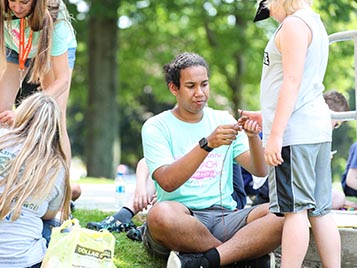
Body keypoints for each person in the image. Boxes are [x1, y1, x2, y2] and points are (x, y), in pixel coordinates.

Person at [140, 52, 283, 268]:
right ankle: (239, 257)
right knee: (160, 215)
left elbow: (260, 170)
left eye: (204, 84)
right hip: (183, 217)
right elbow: (167, 182)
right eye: (190, 86)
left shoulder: (223, 119)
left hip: (225, 216)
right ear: (174, 88)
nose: (200, 93)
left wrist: (254, 137)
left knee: (283, 213)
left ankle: (209, 260)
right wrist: (207, 144)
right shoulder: (156, 126)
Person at [250, 1, 341, 267]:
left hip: (294, 133)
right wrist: (265, 116)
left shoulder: (292, 25)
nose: (267, 10)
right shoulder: (314, 21)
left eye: (266, 4)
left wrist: (275, 134)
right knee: (320, 212)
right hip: (316, 129)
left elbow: (292, 81)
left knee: (295, 212)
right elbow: (298, 83)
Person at [0, 0, 77, 163]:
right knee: (1, 114)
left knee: (56, 118)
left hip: (51, 51)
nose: (17, 7)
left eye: (24, 2)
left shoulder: (55, 15)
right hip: (15, 48)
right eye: (12, 1)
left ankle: (63, 184)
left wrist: (23, 112)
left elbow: (62, 80)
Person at [0, 92, 71, 268]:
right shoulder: (57, 167)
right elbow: (49, 214)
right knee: (54, 223)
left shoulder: (2, 137)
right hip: (24, 261)